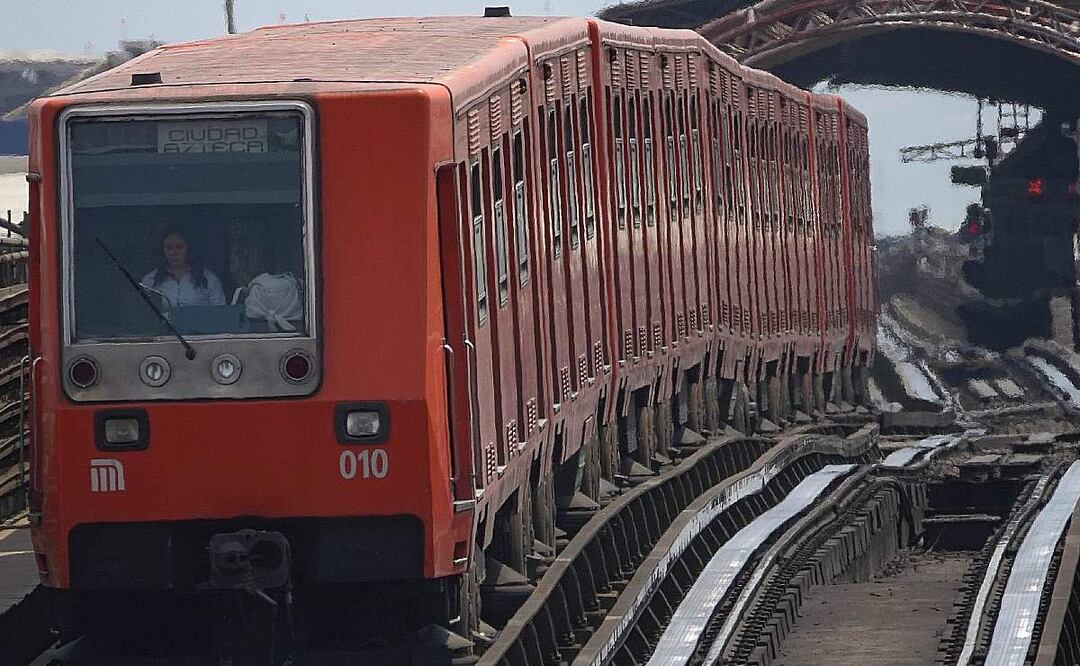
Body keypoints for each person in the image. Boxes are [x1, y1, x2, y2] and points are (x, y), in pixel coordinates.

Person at [140, 227, 225, 308]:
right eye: (168, 248)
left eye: (179, 247)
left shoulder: (208, 279)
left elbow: (220, 313)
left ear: (189, 248)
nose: (173, 252)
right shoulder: (150, 281)